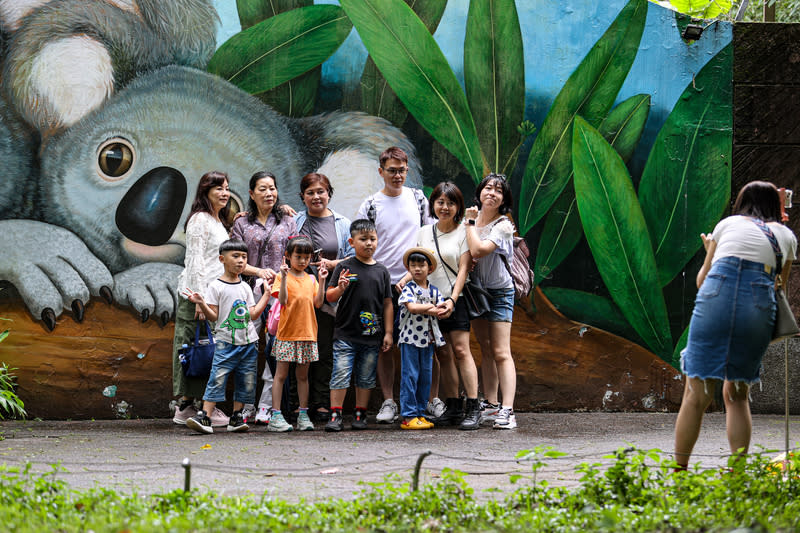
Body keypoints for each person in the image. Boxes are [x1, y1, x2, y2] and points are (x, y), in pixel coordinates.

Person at [673, 181, 796, 470]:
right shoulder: (786, 237)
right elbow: (780, 287)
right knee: (736, 394)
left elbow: (702, 279)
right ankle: (736, 475)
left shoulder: (727, 224)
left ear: (741, 203)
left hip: (718, 293)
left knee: (696, 394)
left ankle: (679, 473)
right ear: (775, 207)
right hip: (758, 302)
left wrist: (712, 252)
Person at [356, 146, 434, 424]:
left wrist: (414, 276)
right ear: (381, 172)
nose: (397, 175)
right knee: (384, 345)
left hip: (415, 283)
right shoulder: (370, 205)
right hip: (380, 283)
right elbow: (360, 245)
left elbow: (429, 237)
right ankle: (389, 400)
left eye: (401, 170)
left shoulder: (419, 199)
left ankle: (424, 401)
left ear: (407, 170)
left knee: (422, 344)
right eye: (391, 170)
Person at [182, 239, 271, 434]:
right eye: (235, 256)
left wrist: (266, 296)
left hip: (249, 343)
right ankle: (204, 416)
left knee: (246, 379)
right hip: (225, 342)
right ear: (222, 259)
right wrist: (202, 303)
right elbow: (214, 316)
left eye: (244, 257)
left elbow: (252, 315)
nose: (240, 261)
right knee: (217, 377)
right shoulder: (216, 286)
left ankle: (237, 417)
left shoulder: (246, 288)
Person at [414, 182, 483, 430]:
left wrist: (453, 299)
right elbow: (419, 266)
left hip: (457, 300)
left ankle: (473, 406)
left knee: (462, 351)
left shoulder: (463, 231)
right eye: (440, 202)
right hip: (430, 302)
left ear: (458, 207)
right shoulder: (423, 232)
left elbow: (464, 268)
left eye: (450, 203)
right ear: (433, 204)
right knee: (442, 354)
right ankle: (453, 407)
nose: (445, 207)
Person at [230, 171, 297, 424]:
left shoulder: (288, 220)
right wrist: (258, 271)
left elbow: (297, 255)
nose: (269, 193)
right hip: (248, 292)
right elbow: (234, 259)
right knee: (246, 348)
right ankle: (244, 405)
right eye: (263, 189)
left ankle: (267, 406)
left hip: (279, 294)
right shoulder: (241, 224)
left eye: (272, 188)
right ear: (251, 193)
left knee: (274, 349)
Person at [172, 171, 232, 428]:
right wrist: (199, 300)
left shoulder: (218, 221)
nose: (224, 192)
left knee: (206, 349)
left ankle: (197, 406)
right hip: (197, 296)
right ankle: (187, 407)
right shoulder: (200, 219)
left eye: (227, 188)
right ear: (205, 191)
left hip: (212, 296)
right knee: (194, 348)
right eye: (217, 188)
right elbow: (194, 259)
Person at [294, 172, 354, 422]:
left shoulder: (342, 223)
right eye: (311, 193)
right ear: (303, 197)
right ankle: (298, 404)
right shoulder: (294, 221)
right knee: (300, 349)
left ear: (329, 194)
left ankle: (322, 402)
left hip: (331, 297)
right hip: (301, 297)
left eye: (321, 191)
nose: (317, 197)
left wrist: (333, 264)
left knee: (326, 348)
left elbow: (354, 256)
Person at [324, 219, 393, 432]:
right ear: (352, 242)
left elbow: (388, 304)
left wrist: (388, 332)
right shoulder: (344, 267)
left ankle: (360, 414)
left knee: (366, 376)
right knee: (341, 373)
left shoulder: (382, 271)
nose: (369, 243)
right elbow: (329, 295)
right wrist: (341, 288)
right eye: (363, 239)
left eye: (372, 239)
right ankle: (335, 415)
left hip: (371, 336)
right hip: (345, 333)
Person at [464, 173, 518, 430]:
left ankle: (508, 410)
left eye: (498, 191)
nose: (492, 193)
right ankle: (491, 404)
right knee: (485, 348)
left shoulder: (503, 225)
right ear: (480, 192)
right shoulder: (472, 221)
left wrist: (469, 224)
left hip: (499, 292)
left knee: (500, 351)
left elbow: (478, 250)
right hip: (476, 292)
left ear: (503, 199)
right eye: (488, 188)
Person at [266, 236, 329, 432]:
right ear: (288, 256)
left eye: (306, 257)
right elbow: (283, 300)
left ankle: (303, 414)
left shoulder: (311, 279)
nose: (302, 261)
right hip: (286, 334)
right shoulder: (281, 277)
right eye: (298, 256)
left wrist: (322, 280)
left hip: (308, 334)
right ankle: (275, 416)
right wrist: (284, 276)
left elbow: (318, 303)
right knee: (281, 376)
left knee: (303, 377)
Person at [397, 247, 445, 430]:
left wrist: (436, 309)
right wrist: (431, 309)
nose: (417, 269)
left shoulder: (434, 291)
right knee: (409, 375)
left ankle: (420, 412)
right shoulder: (409, 289)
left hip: (428, 340)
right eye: (413, 265)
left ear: (429, 268)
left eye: (421, 265)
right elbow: (412, 307)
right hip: (409, 338)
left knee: (425, 376)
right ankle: (408, 416)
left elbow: (441, 309)